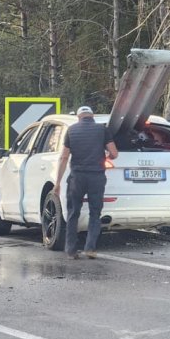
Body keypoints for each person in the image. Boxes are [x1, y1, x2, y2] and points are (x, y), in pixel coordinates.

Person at [53, 106, 118, 259]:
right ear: (92, 115)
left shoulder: (71, 130)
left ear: (78, 117)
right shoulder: (102, 130)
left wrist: (58, 182)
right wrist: (108, 156)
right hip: (96, 177)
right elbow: (114, 153)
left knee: (73, 213)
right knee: (95, 213)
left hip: (77, 178)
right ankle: (90, 248)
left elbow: (63, 157)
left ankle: (71, 250)